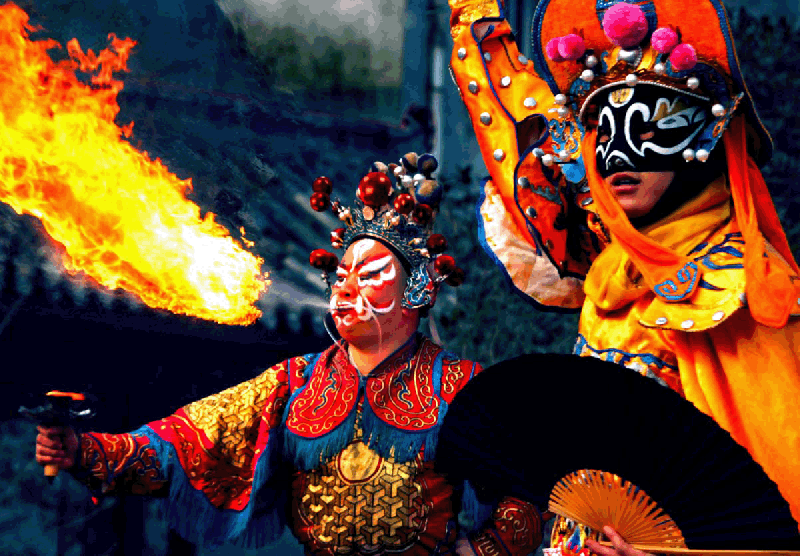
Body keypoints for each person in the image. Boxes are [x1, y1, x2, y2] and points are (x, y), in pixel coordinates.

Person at [34, 154, 543, 555]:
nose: (346, 290)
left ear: (414, 292)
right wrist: (85, 451)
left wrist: (485, 551)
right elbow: (184, 444)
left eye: (369, 277)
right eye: (341, 277)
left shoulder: (462, 385)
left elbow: (527, 488)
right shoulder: (294, 384)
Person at [446, 0, 800, 551]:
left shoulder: (736, 289)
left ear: (701, 140)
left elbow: (778, 497)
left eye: (649, 123)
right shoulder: (608, 276)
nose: (617, 156)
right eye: (602, 131)